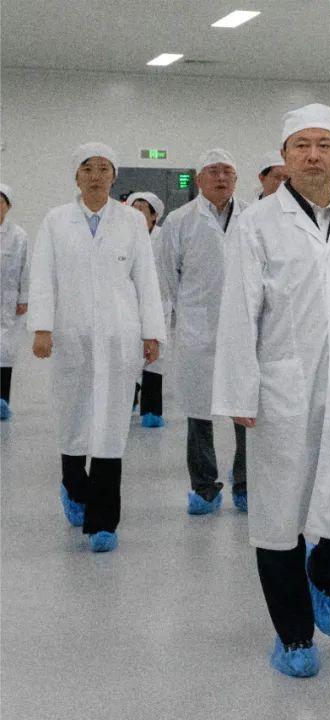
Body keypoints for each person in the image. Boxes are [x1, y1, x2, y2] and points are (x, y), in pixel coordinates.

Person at [212, 103, 330, 678]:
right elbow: (239, 312)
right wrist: (240, 392)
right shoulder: (257, 223)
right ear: (285, 155)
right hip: (282, 386)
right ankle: (294, 637)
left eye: (324, 144)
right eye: (302, 145)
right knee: (279, 512)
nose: (313, 155)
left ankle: (323, 575)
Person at [27, 143, 165, 552]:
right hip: (71, 333)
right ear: (76, 176)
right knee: (73, 417)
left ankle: (103, 522)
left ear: (114, 176)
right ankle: (73, 484)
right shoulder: (56, 220)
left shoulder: (131, 221)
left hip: (119, 336)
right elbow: (42, 276)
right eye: (88, 168)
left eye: (104, 168)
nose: (96, 175)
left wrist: (151, 332)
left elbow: (146, 280)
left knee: (111, 425)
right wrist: (41, 328)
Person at [161, 149, 251, 515]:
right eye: (213, 171)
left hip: (245, 328)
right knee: (199, 412)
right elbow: (167, 278)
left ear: (236, 179)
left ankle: (246, 483)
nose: (221, 177)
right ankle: (204, 487)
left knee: (246, 408)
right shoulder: (179, 221)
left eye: (228, 171)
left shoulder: (252, 218)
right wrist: (176, 319)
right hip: (197, 328)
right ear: (199, 179)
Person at [127, 191, 168, 428]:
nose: (138, 211)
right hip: (130, 305)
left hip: (160, 305)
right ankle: (129, 399)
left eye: (143, 208)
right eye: (134, 207)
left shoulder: (164, 238)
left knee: (156, 359)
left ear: (154, 216)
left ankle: (151, 410)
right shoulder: (122, 236)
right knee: (129, 355)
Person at [0, 183, 30, 421]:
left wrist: (24, 298)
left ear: (8, 206)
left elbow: (25, 269)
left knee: (5, 351)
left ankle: (2, 401)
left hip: (8, 302)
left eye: (1, 202)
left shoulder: (19, 235)